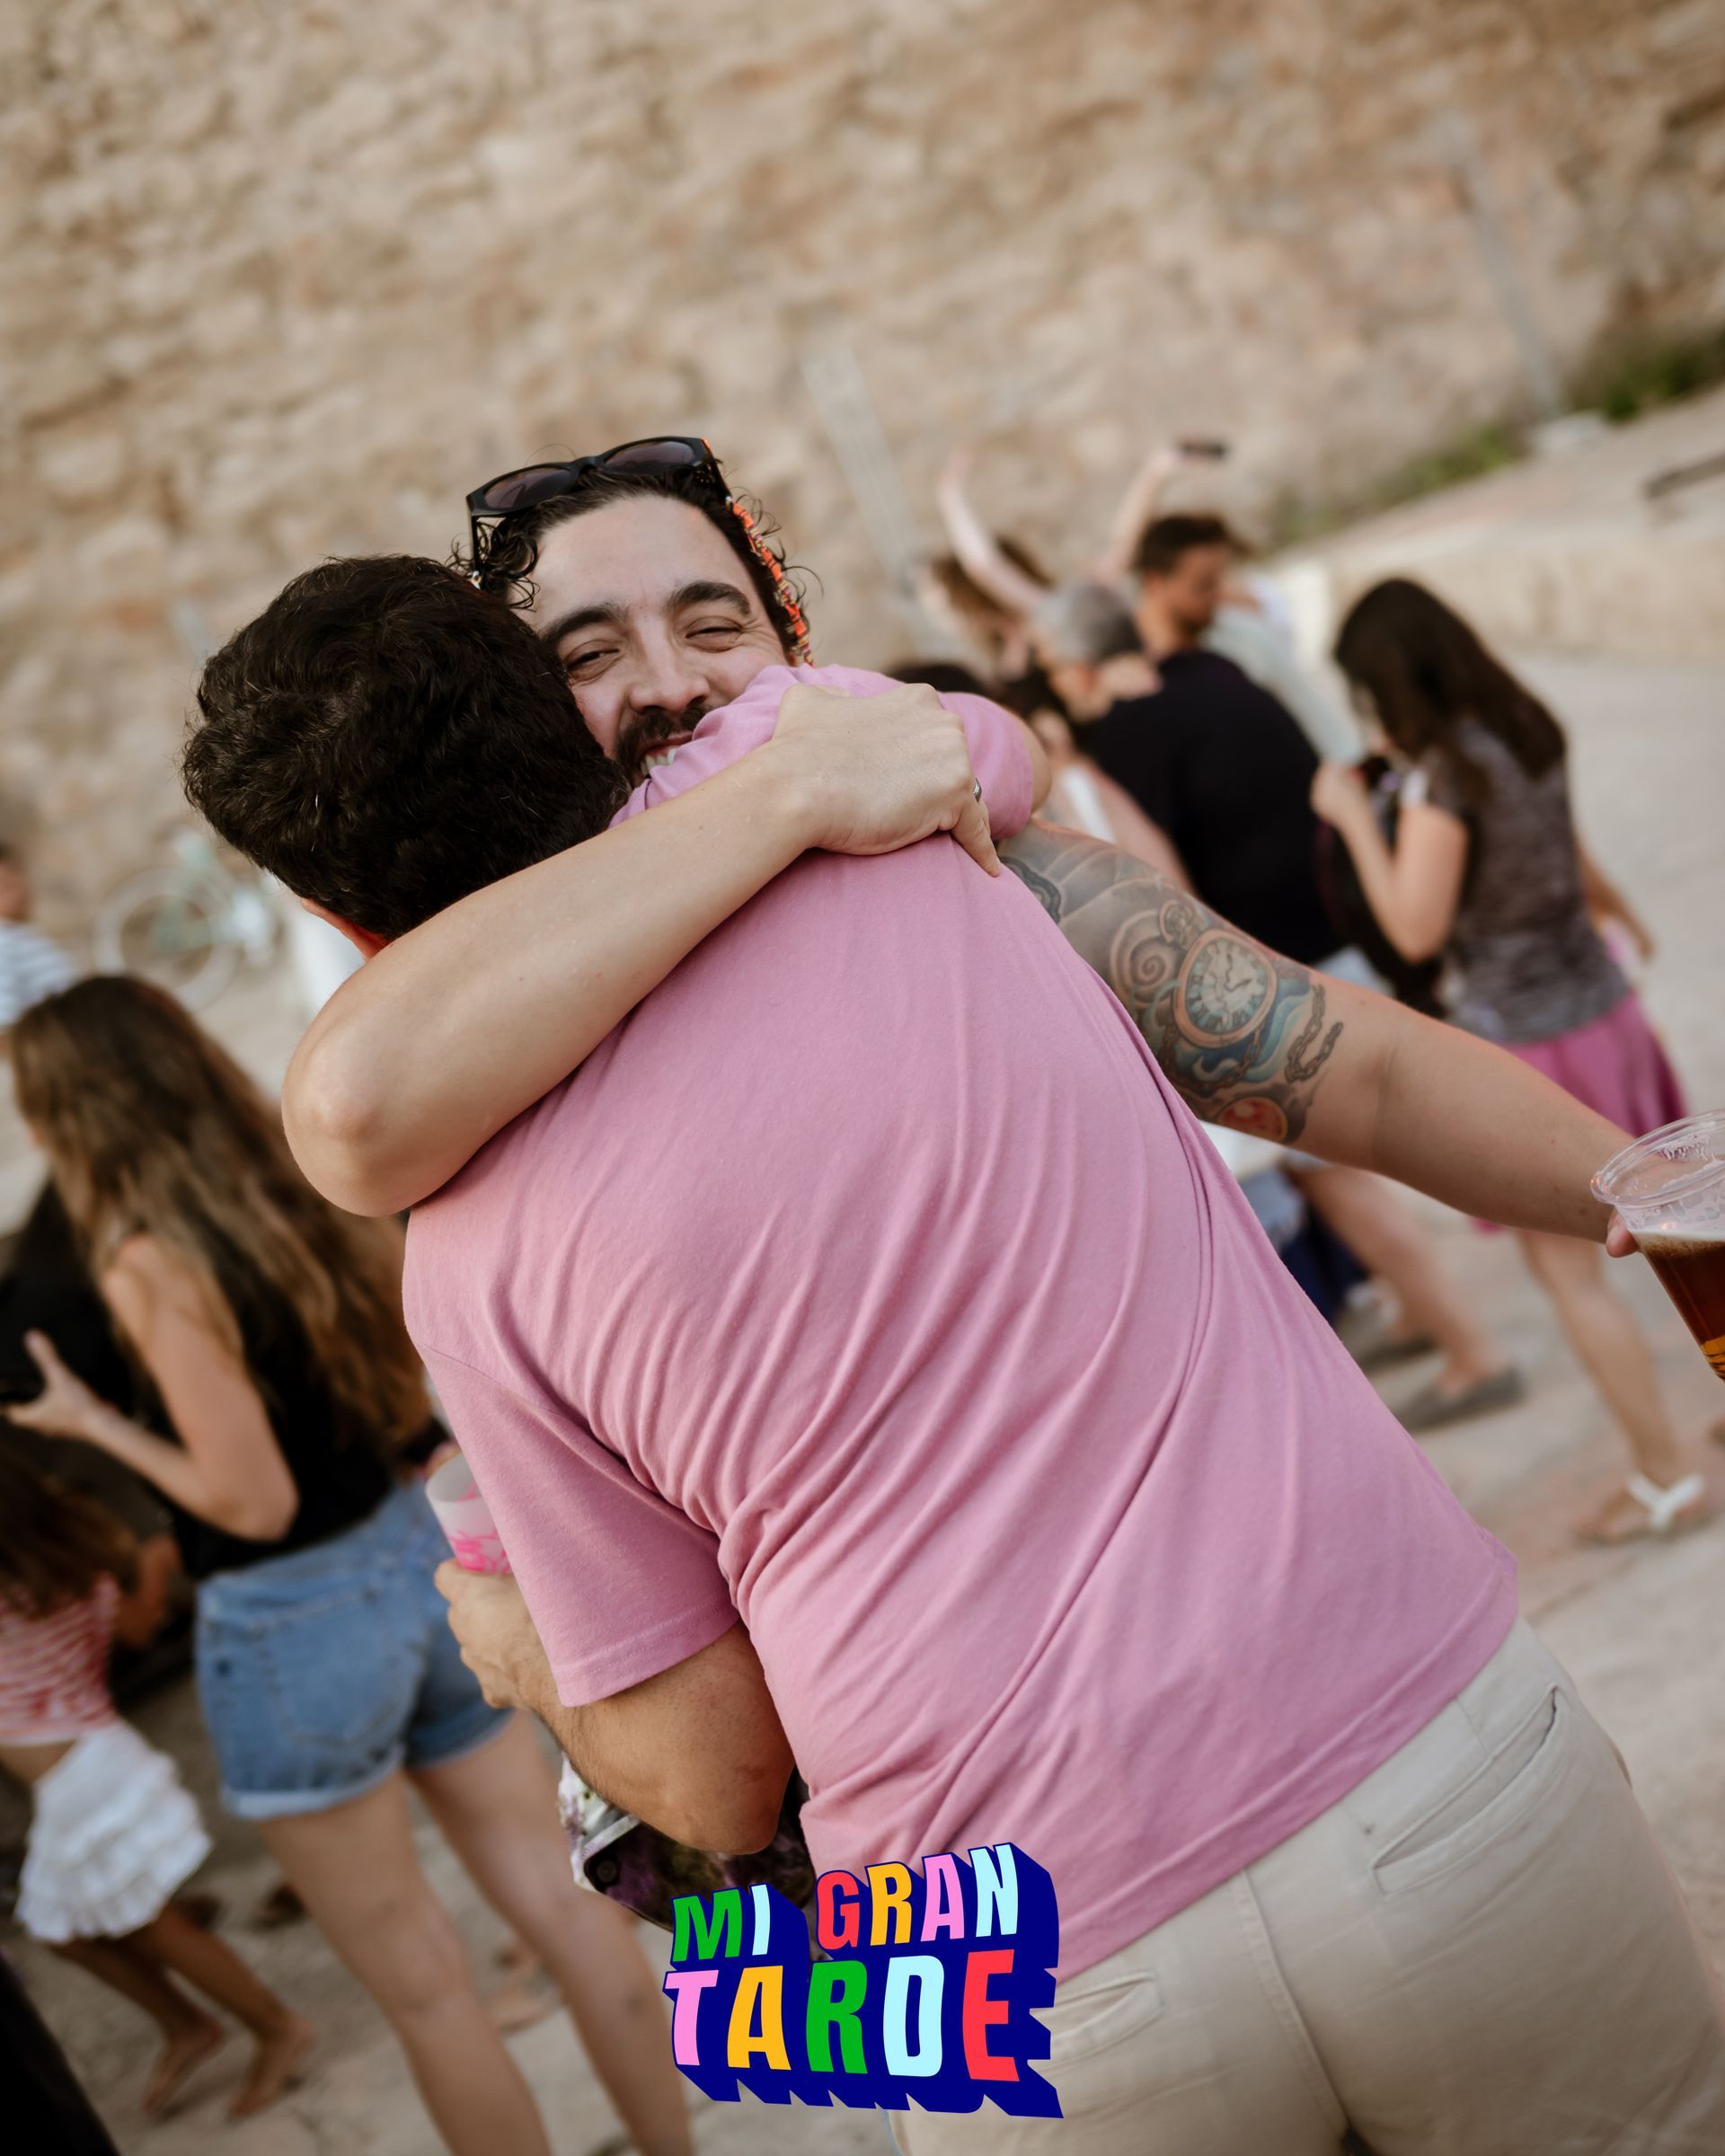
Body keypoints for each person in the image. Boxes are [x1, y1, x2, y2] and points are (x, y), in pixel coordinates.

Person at [179, 468, 1725, 2146]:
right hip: (1392, 1766)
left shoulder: (468, 1250)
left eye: (720, 626)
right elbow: (353, 1094)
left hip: (1035, 1947)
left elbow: (710, 1788)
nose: (686, 687)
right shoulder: (901, 820)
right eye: (593, 649)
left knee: (770, 1990)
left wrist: (522, 1654)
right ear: (511, 712)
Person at [6, 978, 691, 2156]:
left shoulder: (141, 1258)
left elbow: (251, 1499)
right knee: (568, 1908)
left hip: (291, 1624)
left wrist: (92, 1423)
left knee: (427, 1989)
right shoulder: (300, 1181)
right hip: (419, 1568)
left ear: (70, 1112)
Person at [1035, 577, 1519, 1428]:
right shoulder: (1212, 672)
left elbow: (1155, 887)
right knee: (1360, 1165)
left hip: (1271, 972)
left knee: (1341, 1181)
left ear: (1074, 667)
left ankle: (1472, 1350)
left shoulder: (1118, 745)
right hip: (1332, 930)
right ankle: (1417, 1310)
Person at [1316, 578, 1709, 1544]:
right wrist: (1622, 915)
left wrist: (1353, 815)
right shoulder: (1526, 728)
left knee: (1574, 1280)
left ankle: (1668, 1477)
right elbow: (1570, 854)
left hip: (1528, 1047)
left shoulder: (1447, 778)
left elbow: (1414, 928)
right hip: (1606, 1013)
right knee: (1701, 1232)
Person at [0, 1447, 313, 2118]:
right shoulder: (65, 1563)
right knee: (62, 1928)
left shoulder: (17, 1589)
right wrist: (155, 1564)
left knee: (144, 1925)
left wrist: (158, 1561)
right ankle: (188, 2025)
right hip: (89, 1766)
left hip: (86, 1780)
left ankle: (277, 2027)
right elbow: (139, 1626)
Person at [0, 837, 76, 1035]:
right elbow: (4, 1024)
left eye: (19, 877)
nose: (21, 890)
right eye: (7, 886)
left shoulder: (23, 935)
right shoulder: (4, 943)